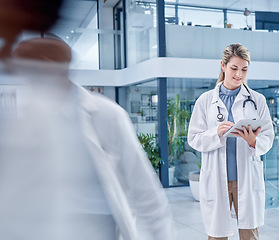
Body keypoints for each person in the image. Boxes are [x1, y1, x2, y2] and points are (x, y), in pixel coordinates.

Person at [1, 25, 175, 240]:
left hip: (98, 225)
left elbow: (145, 190)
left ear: (47, 65)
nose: (24, 78)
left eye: (26, 70)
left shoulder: (106, 115)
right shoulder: (29, 119)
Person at [188, 43, 275, 240]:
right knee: (217, 234)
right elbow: (193, 138)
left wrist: (254, 142)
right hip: (217, 178)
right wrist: (215, 134)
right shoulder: (205, 101)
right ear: (223, 65)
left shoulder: (257, 100)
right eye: (234, 68)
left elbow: (268, 136)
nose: (239, 74)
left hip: (246, 176)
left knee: (250, 234)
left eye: (244, 69)